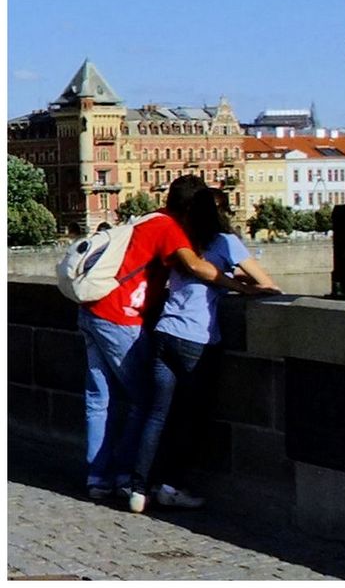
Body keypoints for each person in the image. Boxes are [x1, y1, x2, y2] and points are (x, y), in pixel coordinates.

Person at [77, 175, 261, 502]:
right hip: (121, 315)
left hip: (91, 309)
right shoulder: (170, 228)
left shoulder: (149, 219)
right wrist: (242, 287)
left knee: (99, 400)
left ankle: (97, 478)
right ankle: (123, 476)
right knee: (144, 400)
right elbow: (197, 267)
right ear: (191, 207)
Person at [129, 186, 281, 513]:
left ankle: (139, 488)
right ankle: (171, 486)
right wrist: (242, 281)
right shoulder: (226, 242)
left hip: (164, 332)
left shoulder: (183, 242)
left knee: (157, 415)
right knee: (190, 418)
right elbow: (268, 284)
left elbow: (197, 269)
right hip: (196, 340)